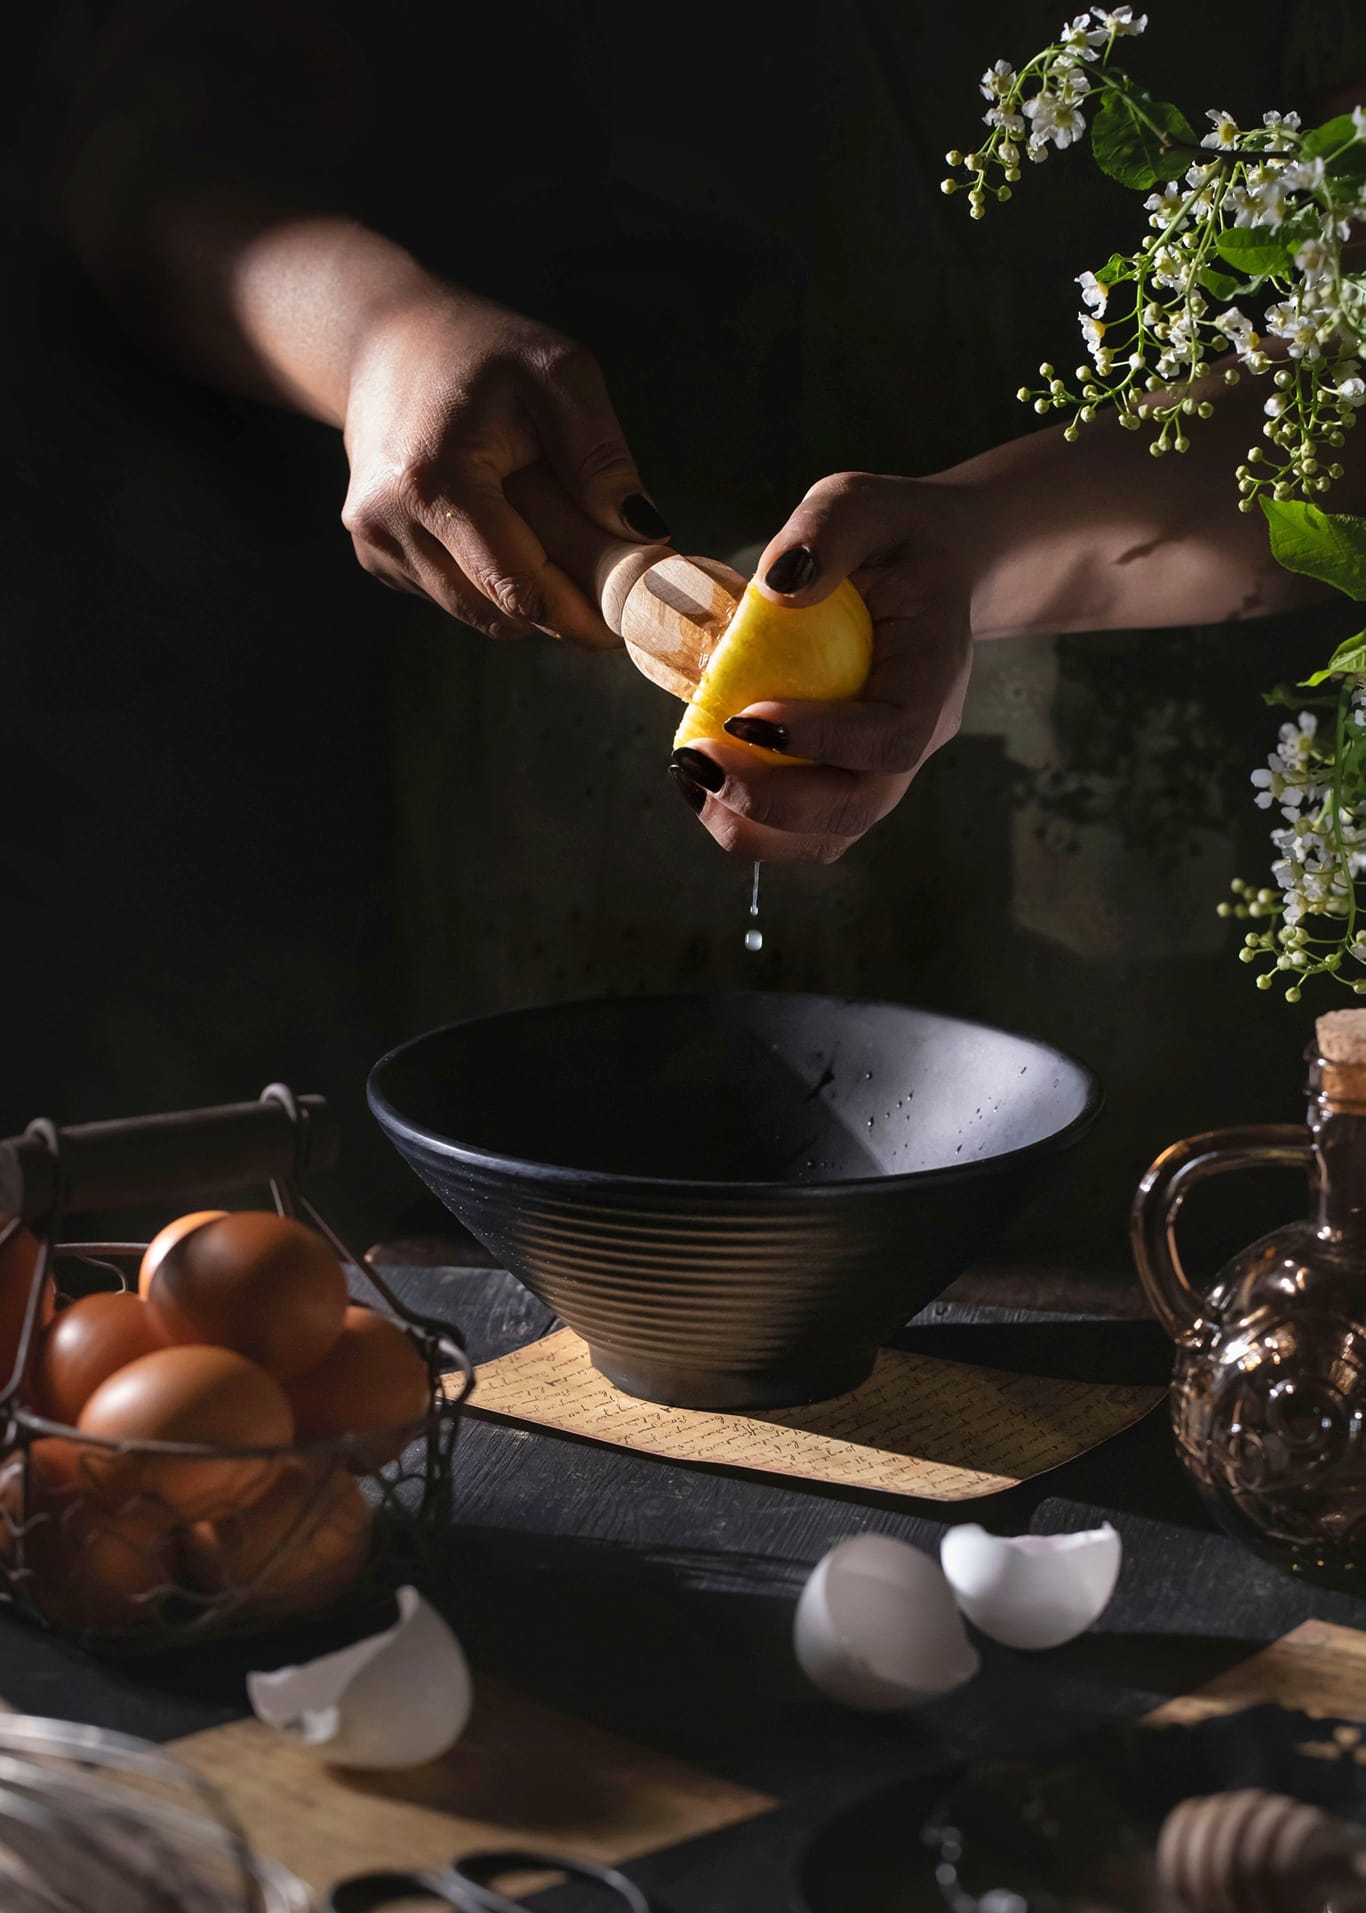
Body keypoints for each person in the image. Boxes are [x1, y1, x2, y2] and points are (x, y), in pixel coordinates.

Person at [33, 0, 1366, 1259]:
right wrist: (376, 334)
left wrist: (975, 547)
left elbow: (1346, 387)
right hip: (541, 854)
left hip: (1140, 874)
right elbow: (145, 161)